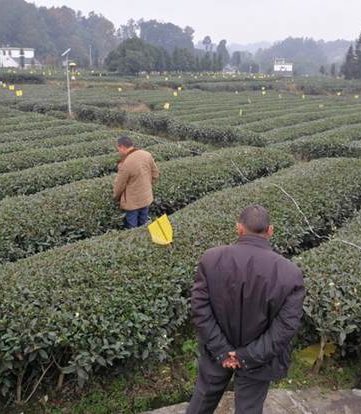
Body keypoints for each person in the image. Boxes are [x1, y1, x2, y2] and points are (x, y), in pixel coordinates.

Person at [187, 205, 305, 414]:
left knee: (202, 401)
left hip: (216, 351)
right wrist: (247, 356)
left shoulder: (211, 259)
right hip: (259, 360)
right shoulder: (290, 273)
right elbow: (285, 328)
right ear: (270, 231)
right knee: (249, 409)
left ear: (239, 228)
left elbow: (200, 309)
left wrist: (222, 350)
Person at [113, 136, 159, 229]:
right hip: (146, 198)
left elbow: (119, 186)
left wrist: (115, 198)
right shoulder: (146, 154)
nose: (119, 152)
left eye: (118, 149)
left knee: (132, 228)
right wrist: (147, 186)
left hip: (132, 203)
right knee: (144, 224)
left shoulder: (126, 163)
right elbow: (155, 174)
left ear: (122, 147)